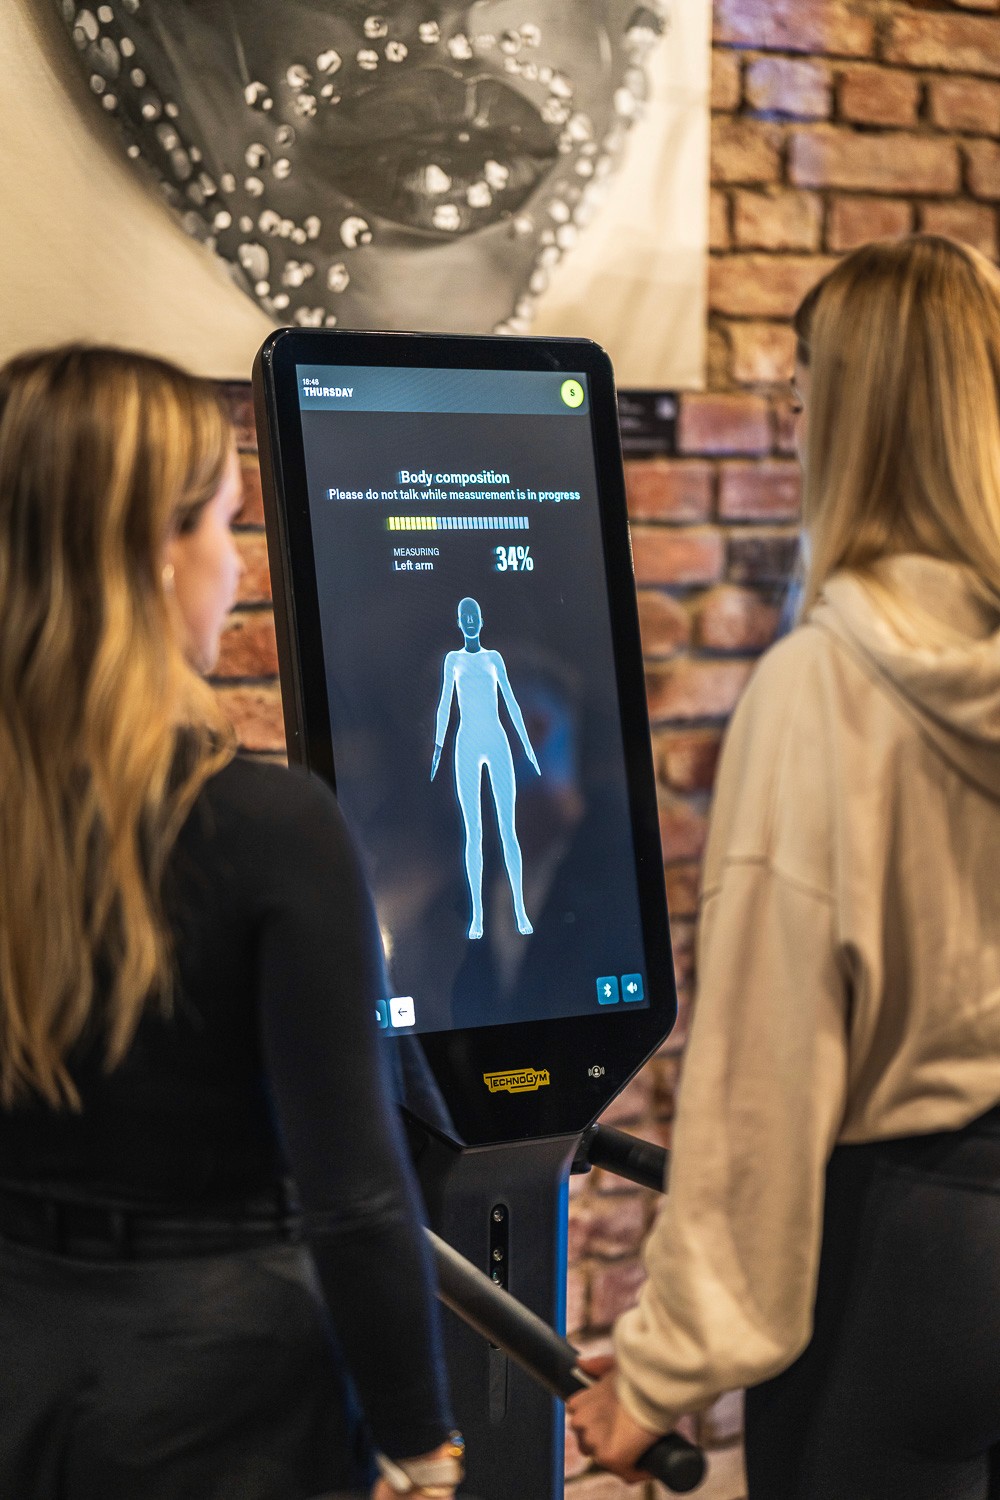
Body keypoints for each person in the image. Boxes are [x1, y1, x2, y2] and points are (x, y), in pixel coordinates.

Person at [568, 234, 1000, 1498]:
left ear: (857, 423)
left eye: (804, 403)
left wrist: (659, 1370)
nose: (795, 435)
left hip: (903, 1267)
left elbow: (766, 1072)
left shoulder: (824, 688)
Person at [0, 343, 463, 1500]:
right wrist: (420, 1443)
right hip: (220, 1396)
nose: (238, 563)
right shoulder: (269, 826)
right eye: (224, 522)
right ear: (156, 555)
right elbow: (355, 1193)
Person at [431, 597, 540, 939]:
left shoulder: (494, 658)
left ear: (481, 620)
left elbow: (511, 702)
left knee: (508, 829)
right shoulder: (453, 660)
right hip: (466, 742)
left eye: (474, 615)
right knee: (473, 832)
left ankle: (520, 910)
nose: (470, 621)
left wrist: (527, 745)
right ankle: (477, 916)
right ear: (458, 622)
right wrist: (438, 748)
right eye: (464, 616)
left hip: (496, 739)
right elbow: (445, 704)